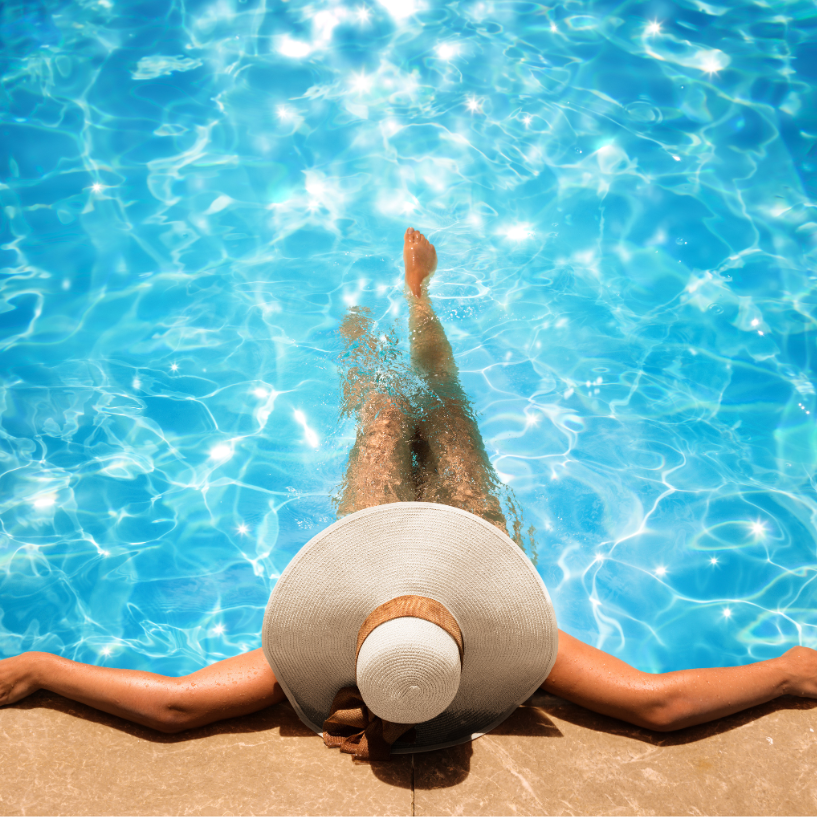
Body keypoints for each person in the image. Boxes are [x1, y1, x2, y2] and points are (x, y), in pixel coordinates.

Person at [2, 228, 816, 759]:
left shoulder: (318, 666)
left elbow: (179, 708)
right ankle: (413, 305)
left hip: (375, 531)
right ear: (465, 650)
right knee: (447, 413)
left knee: (388, 417)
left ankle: (383, 323)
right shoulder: (523, 661)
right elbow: (658, 704)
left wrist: (40, 666)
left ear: (356, 646)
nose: (414, 604)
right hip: (475, 545)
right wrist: (787, 672)